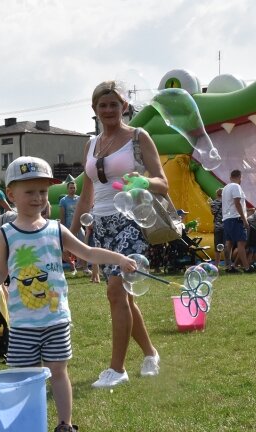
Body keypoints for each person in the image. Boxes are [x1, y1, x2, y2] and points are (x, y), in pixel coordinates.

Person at [0, 156, 137, 432]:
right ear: (11, 194)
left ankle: (65, 425)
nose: (38, 198)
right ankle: (23, 424)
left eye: (43, 192)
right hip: (23, 324)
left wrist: (119, 259)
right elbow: (1, 271)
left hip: (55, 320)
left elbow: (88, 252)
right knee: (22, 377)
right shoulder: (6, 234)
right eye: (30, 192)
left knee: (58, 373)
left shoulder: (56, 229)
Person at [69, 80, 165, 388]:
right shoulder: (91, 144)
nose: (109, 110)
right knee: (125, 297)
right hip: (102, 225)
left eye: (115, 104)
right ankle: (150, 354)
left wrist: (144, 182)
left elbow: (163, 182)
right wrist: (69, 237)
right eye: (103, 105)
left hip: (132, 221)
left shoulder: (138, 137)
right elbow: (86, 196)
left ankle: (116, 369)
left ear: (125, 107)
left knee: (115, 292)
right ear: (94, 109)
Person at [222, 169, 251, 273]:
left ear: (230, 177)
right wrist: (244, 219)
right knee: (241, 243)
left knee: (228, 243)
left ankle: (228, 266)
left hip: (227, 218)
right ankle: (247, 267)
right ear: (240, 177)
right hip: (236, 218)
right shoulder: (236, 186)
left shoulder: (225, 188)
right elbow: (237, 203)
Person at [59, 181, 82, 275]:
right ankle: (72, 265)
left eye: (73, 188)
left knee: (82, 242)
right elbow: (62, 215)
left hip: (79, 226)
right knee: (68, 248)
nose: (72, 189)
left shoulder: (79, 199)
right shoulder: (63, 200)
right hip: (68, 226)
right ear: (67, 189)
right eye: (70, 188)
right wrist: (63, 227)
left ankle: (81, 264)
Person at [211, 188, 224, 266]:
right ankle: (228, 264)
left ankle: (216, 265)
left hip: (217, 226)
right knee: (227, 245)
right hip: (226, 225)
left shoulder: (213, 202)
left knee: (217, 247)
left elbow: (213, 212)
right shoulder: (226, 202)